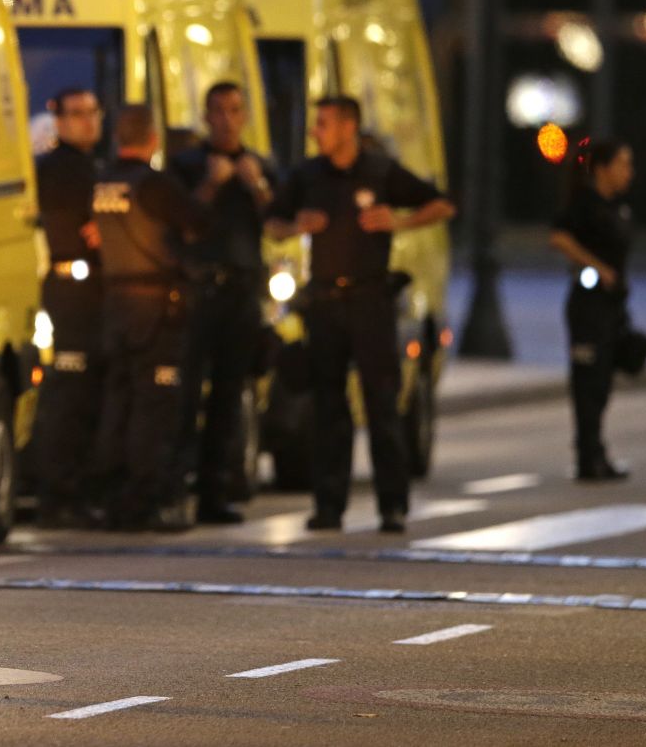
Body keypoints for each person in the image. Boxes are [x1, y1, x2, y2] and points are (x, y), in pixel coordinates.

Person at [265, 96, 454, 533]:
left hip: (371, 301)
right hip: (326, 302)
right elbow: (272, 221)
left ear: (349, 127)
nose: (316, 132)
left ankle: (393, 506)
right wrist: (297, 227)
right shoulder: (307, 175)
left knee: (382, 403)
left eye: (324, 124)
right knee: (329, 408)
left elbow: (442, 205)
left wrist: (397, 221)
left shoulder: (380, 170)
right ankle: (329, 506)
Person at [92, 104, 209, 532]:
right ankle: (147, 498)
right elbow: (200, 221)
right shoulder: (155, 185)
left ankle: (111, 495)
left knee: (117, 401)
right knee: (155, 405)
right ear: (153, 138)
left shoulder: (102, 181)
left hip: (115, 304)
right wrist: (213, 184)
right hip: (156, 307)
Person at [169, 81, 275, 524]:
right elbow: (179, 222)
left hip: (242, 292)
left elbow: (279, 220)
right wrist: (212, 186)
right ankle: (174, 492)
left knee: (229, 397)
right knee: (184, 395)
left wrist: (257, 187)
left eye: (235, 110)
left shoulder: (259, 166)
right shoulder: (188, 165)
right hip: (199, 292)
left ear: (245, 115)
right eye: (219, 111)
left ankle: (215, 493)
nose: (227, 119)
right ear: (206, 116)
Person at [32, 88, 105, 529]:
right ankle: (60, 492)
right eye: (76, 114)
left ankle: (73, 490)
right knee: (69, 395)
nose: (86, 122)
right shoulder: (57, 170)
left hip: (92, 291)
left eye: (92, 113)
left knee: (85, 395)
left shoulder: (91, 166)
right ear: (57, 119)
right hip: (69, 292)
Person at [549, 139, 636, 481]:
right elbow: (558, 237)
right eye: (623, 164)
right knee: (588, 381)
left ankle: (596, 451)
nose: (629, 172)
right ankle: (588, 455)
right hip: (588, 304)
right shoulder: (585, 204)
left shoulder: (620, 206)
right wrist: (597, 268)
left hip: (613, 305)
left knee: (602, 382)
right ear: (603, 168)